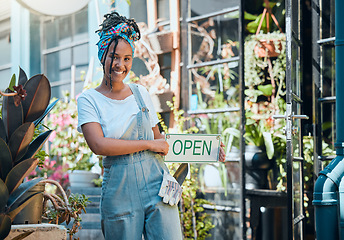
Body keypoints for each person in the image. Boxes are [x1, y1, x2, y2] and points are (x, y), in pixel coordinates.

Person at [77, 11, 226, 240]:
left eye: (127, 59)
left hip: (157, 185)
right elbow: (99, 144)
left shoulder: (141, 93)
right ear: (102, 56)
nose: (120, 65)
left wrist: (210, 150)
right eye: (114, 57)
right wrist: (148, 143)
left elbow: (162, 144)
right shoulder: (89, 100)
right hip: (120, 191)